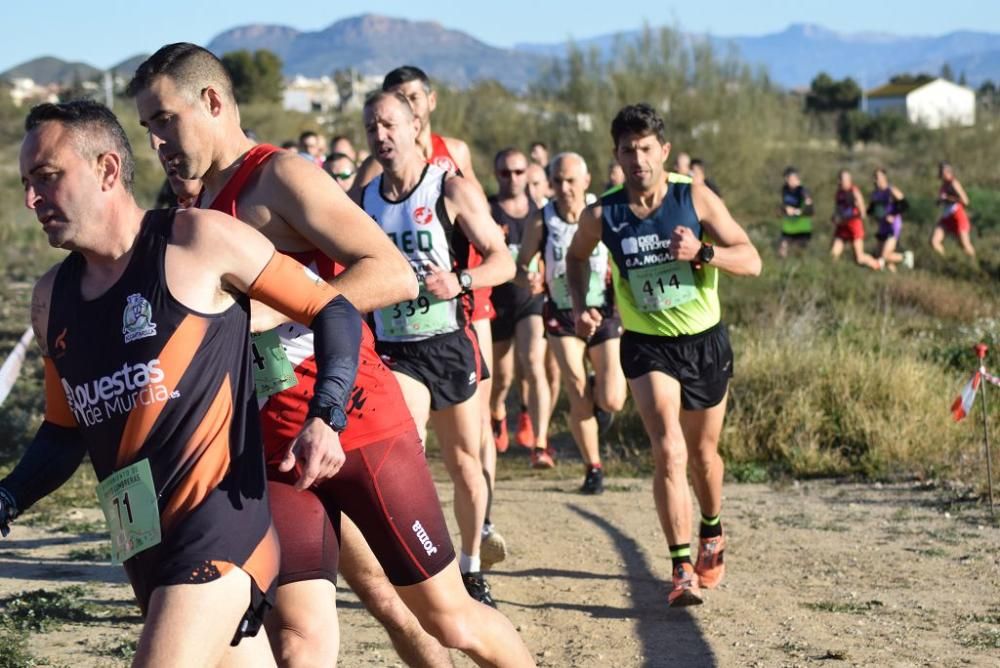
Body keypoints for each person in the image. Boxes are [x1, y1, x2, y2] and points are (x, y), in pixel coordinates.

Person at [131, 44, 529, 667]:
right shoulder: (196, 210)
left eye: (163, 119)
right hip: (273, 449)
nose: (156, 141)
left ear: (211, 102)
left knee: (449, 618)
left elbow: (391, 274)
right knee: (297, 637)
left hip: (356, 425)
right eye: (147, 127)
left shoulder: (279, 177)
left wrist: (276, 308)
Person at [2, 99, 369, 666]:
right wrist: (8, 496)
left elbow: (334, 309)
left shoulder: (198, 240)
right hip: (144, 548)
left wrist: (326, 416)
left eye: (47, 178)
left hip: (220, 535)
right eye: (27, 183)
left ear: (106, 169)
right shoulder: (52, 298)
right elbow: (61, 432)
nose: (32, 200)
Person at [567, 103, 761, 606]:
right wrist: (582, 304)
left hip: (704, 342)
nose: (638, 160)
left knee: (702, 456)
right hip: (647, 344)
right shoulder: (602, 213)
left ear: (664, 152)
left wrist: (703, 253)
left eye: (646, 149)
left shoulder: (693, 197)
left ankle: (712, 531)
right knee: (669, 449)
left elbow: (753, 260)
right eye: (628, 150)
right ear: (617, 154)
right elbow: (576, 256)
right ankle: (680, 568)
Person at [360, 91, 527, 631]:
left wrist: (459, 280)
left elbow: (504, 261)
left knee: (465, 463)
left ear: (415, 128)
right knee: (404, 451)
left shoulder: (449, 188)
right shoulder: (363, 198)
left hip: (448, 343)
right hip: (396, 350)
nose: (379, 135)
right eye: (371, 128)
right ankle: (422, 567)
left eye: (388, 125)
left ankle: (473, 568)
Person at [518, 153, 627, 494]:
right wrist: (530, 277)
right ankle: (593, 467)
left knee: (612, 399)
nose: (564, 188)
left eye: (570, 180)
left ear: (586, 180)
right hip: (562, 314)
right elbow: (521, 265)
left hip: (603, 310)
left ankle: (600, 396)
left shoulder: (603, 210)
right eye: (557, 181)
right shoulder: (543, 218)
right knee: (576, 388)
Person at [487, 149, 553, 469]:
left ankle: (540, 443)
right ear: (496, 174)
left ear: (527, 173)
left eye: (517, 172)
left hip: (530, 300)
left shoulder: (540, 213)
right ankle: (498, 413)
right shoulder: (486, 211)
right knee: (501, 378)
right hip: (497, 302)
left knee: (533, 363)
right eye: (505, 173)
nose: (512, 178)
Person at [831, 170, 882, 270]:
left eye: (845, 179)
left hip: (854, 225)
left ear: (850, 180)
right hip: (842, 226)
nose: (843, 182)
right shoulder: (839, 193)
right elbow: (837, 208)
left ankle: (878, 265)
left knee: (859, 258)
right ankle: (834, 275)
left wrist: (859, 213)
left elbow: (862, 209)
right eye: (841, 179)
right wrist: (835, 217)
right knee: (833, 255)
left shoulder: (854, 191)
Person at [868, 168, 912, 271]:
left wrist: (893, 215)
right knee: (880, 257)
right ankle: (894, 279)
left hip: (893, 226)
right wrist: (876, 214)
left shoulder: (891, 190)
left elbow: (905, 205)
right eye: (874, 177)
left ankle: (904, 257)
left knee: (884, 257)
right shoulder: (875, 194)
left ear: (884, 178)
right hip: (882, 226)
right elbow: (871, 210)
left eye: (878, 177)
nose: (876, 180)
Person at [932, 161, 975, 258]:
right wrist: (939, 201)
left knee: (965, 245)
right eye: (941, 173)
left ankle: (975, 265)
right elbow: (942, 200)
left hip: (958, 215)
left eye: (944, 173)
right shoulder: (943, 186)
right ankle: (945, 262)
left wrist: (948, 198)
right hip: (947, 216)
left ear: (949, 172)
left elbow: (965, 201)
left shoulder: (954, 183)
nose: (943, 175)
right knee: (934, 242)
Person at [777, 166, 813, 258]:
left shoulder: (803, 191)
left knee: (799, 253)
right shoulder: (785, 190)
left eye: (792, 178)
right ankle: (783, 269)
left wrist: (797, 211)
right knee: (783, 247)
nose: (790, 181)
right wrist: (785, 209)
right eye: (788, 178)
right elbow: (783, 205)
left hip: (802, 227)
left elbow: (810, 209)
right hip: (789, 226)